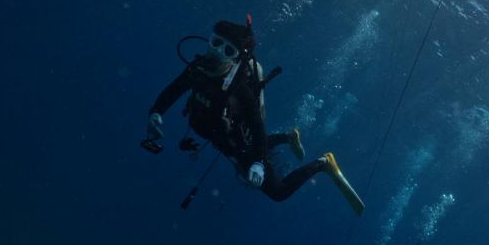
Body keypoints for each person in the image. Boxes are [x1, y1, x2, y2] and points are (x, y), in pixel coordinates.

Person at [143, 17, 364, 214]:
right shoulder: (196, 69)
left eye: (228, 51)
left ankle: (323, 163)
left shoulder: (239, 89)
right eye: (216, 43)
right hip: (225, 140)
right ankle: (287, 137)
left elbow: (257, 126)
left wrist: (258, 163)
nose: (218, 52)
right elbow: (174, 90)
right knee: (253, 147)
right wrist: (156, 112)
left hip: (239, 145)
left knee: (278, 192)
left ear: (236, 58)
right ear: (208, 41)